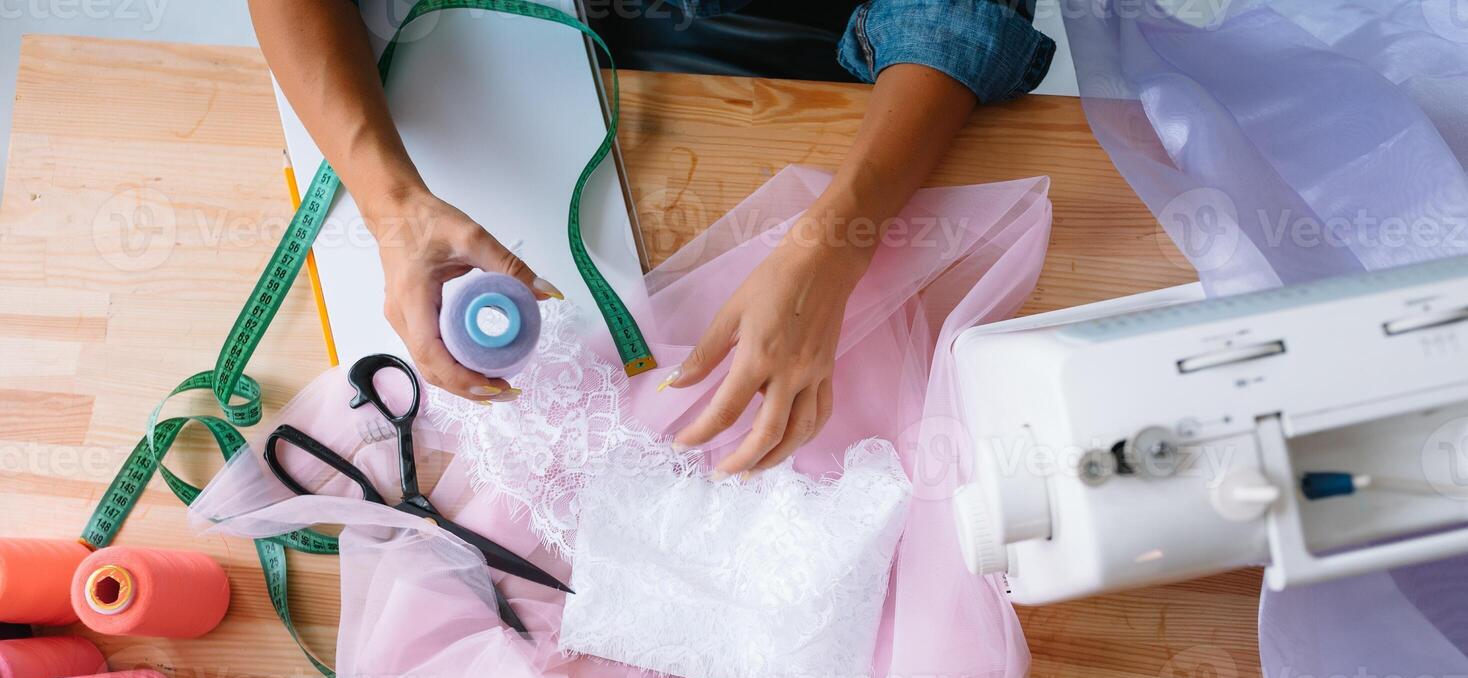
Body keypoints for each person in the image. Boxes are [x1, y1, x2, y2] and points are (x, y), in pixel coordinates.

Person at [250, 0, 1053, 476]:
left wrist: (836, 243)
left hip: (827, 78)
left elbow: (962, 16)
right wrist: (392, 203)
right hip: (560, 55)